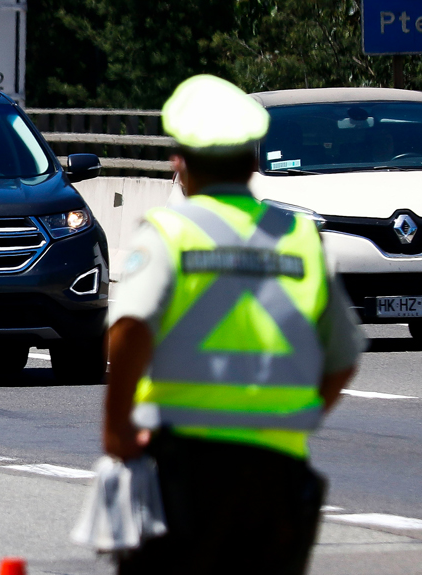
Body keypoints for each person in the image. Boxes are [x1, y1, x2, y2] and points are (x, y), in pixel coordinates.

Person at [103, 75, 365, 574]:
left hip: (181, 471)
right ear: (254, 163)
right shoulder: (300, 240)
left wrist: (117, 430)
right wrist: (300, 415)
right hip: (276, 474)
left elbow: (129, 329)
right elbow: (345, 357)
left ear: (180, 165)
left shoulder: (168, 235)